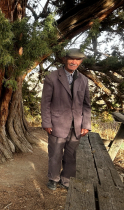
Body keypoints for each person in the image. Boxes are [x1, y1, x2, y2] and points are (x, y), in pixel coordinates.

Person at [41, 48, 91, 191]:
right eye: (71, 59)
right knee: (55, 153)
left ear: (80, 62)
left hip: (77, 126)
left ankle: (66, 180)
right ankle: (53, 178)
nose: (74, 62)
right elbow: (45, 103)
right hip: (57, 124)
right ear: (65, 59)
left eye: (77, 60)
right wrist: (46, 122)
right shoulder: (52, 77)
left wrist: (86, 124)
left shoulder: (83, 79)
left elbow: (87, 105)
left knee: (71, 155)